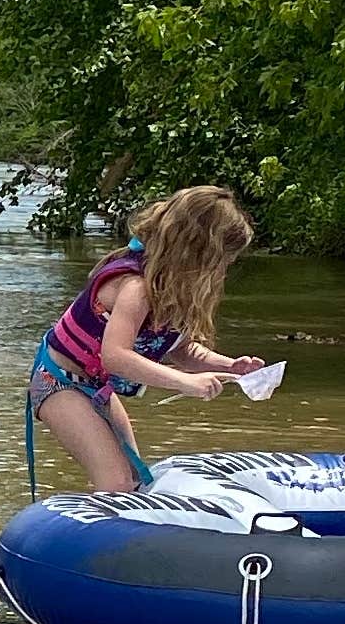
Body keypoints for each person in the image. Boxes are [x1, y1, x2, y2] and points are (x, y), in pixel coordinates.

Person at [27, 186, 269, 492]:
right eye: (220, 261)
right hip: (58, 380)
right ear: (195, 251)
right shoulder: (136, 288)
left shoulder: (169, 289)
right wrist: (185, 382)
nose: (224, 269)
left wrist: (231, 365)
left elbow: (180, 348)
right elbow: (115, 356)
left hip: (94, 386)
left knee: (135, 480)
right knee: (116, 483)